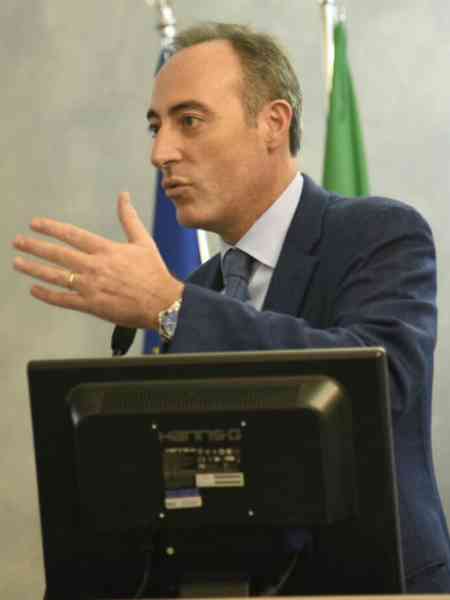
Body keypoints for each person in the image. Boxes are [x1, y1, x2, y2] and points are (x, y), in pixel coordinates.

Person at [13, 22, 450, 594]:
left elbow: (379, 382)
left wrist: (171, 305)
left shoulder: (379, 233)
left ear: (273, 123)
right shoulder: (198, 288)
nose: (160, 153)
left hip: (369, 587)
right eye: (155, 126)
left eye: (189, 121)